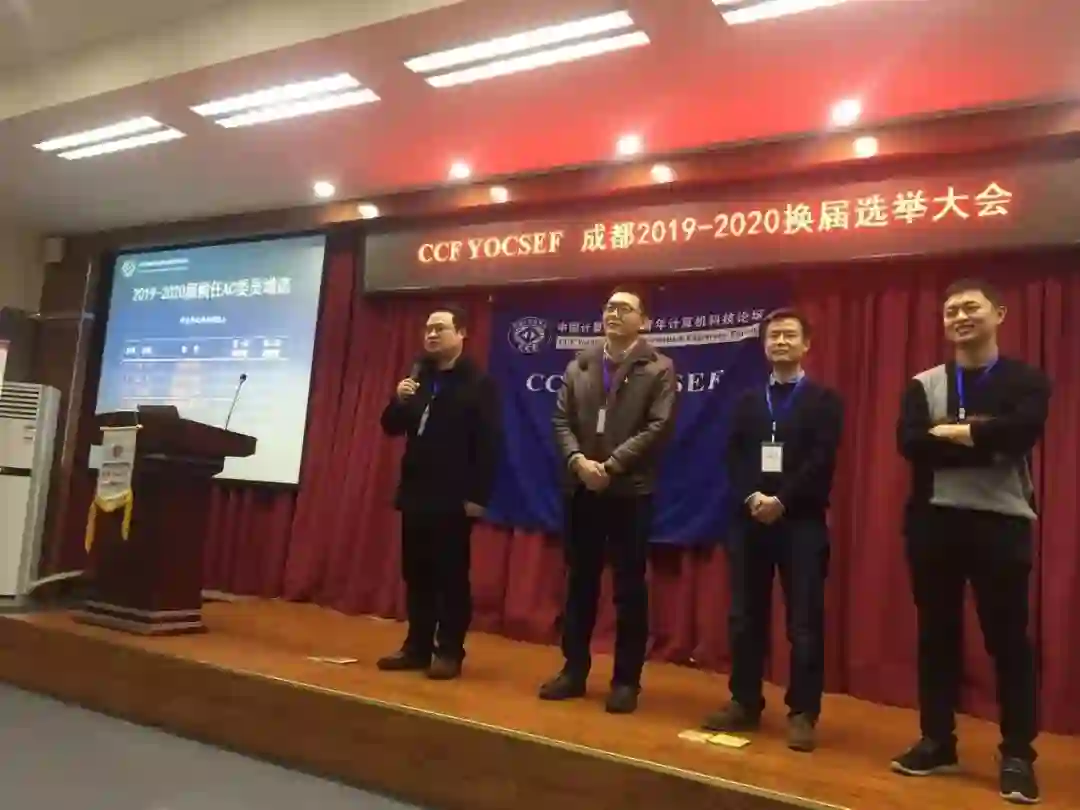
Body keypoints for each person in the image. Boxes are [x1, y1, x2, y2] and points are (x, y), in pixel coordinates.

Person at [891, 279, 1050, 805]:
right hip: (934, 521)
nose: (960, 316)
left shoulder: (1026, 380)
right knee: (936, 636)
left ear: (998, 313)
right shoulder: (924, 384)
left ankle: (1018, 754)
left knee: (1008, 642)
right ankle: (937, 741)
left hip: (1000, 523)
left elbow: (1021, 433)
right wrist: (985, 437)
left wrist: (954, 432)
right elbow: (912, 443)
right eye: (951, 310)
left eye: (970, 307)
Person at [701, 308, 844, 753]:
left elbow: (821, 460)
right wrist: (752, 498)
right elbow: (734, 456)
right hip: (749, 521)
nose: (780, 342)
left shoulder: (824, 400)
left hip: (801, 521)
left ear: (806, 344)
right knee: (745, 616)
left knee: (804, 622)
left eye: (789, 335)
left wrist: (781, 500)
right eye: (773, 336)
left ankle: (802, 712)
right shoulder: (748, 401)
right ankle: (744, 701)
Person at [540, 286, 677, 714]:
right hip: (581, 489)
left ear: (644, 321)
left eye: (625, 308)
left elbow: (658, 426)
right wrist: (578, 462)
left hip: (629, 493)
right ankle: (573, 670)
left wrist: (612, 465)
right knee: (579, 583)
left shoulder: (659, 368)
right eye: (609, 307)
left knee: (629, 589)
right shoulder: (580, 364)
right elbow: (560, 420)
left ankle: (625, 680)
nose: (614, 314)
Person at [377, 305, 501, 681]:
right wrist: (399, 399)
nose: (431, 335)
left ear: (461, 333)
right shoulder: (419, 376)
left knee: (450, 578)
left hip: (453, 497)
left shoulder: (479, 383)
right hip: (416, 491)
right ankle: (416, 647)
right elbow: (390, 426)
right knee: (416, 574)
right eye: (428, 329)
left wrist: (477, 496)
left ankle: (448, 651)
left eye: (440, 328)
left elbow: (489, 444)